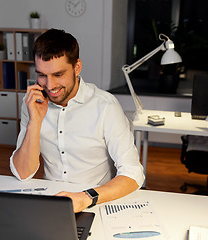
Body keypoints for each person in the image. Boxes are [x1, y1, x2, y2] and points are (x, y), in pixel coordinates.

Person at [10, 28, 145, 212]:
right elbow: (22, 173)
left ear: (77, 67)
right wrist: (35, 121)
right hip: (52, 202)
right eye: (42, 75)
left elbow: (133, 173)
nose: (50, 86)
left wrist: (85, 198)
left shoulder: (105, 106)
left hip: (96, 201)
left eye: (58, 75)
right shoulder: (33, 103)